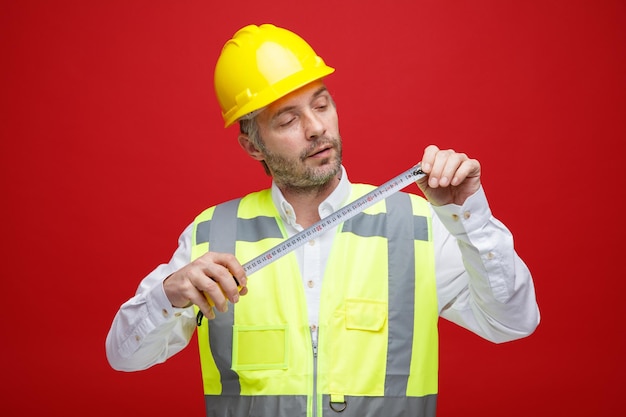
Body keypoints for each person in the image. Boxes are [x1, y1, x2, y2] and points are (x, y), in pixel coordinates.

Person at [106, 23, 540, 417]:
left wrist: (467, 213)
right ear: (253, 147)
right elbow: (125, 356)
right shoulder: (211, 235)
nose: (316, 128)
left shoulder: (419, 225)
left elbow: (513, 322)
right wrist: (169, 294)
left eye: (322, 105)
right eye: (289, 119)